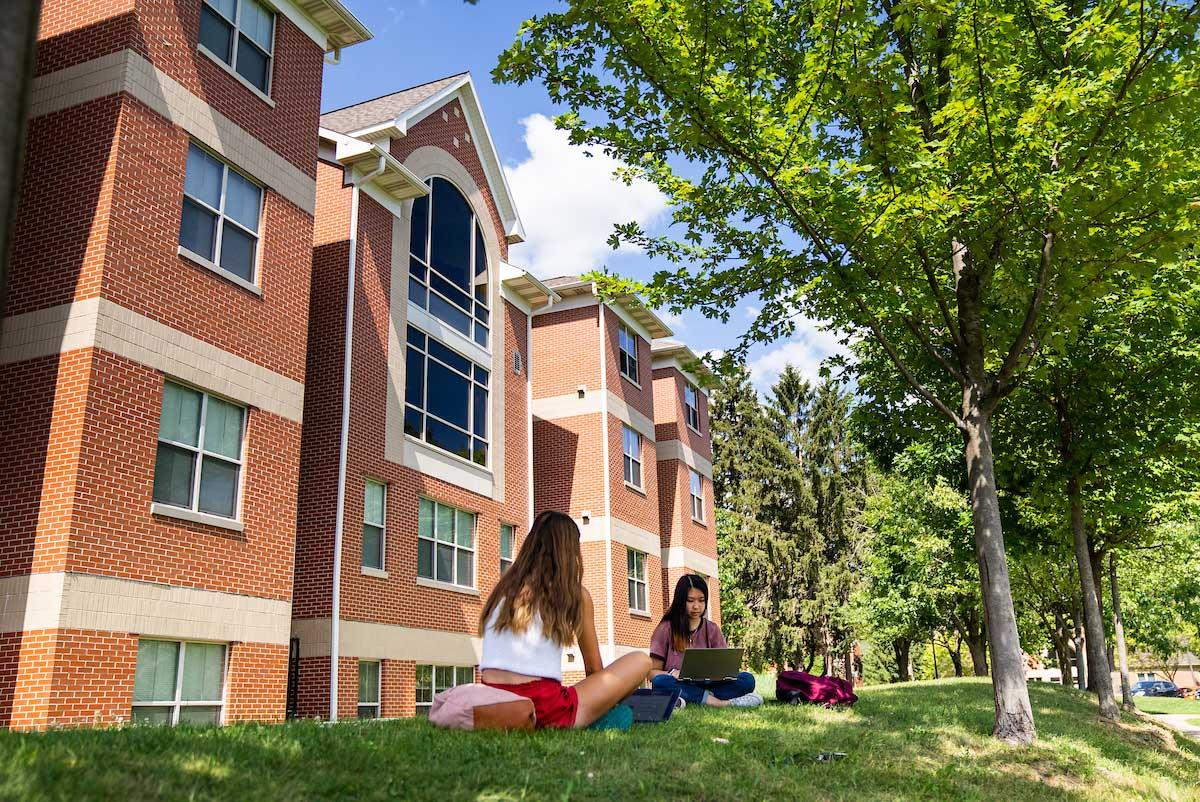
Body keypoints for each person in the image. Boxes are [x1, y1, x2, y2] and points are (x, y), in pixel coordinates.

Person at [479, 510, 652, 728]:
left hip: (495, 705)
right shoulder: (575, 595)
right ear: (569, 551)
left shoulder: (502, 590)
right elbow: (593, 669)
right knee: (641, 661)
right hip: (543, 708)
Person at [648, 574, 763, 707]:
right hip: (680, 683)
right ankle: (720, 702)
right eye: (690, 601)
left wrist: (720, 674)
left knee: (747, 679)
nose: (696, 606)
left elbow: (725, 667)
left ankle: (694, 697)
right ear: (680, 601)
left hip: (711, 684)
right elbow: (652, 673)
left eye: (701, 600)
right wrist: (672, 673)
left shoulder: (712, 629)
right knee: (661, 682)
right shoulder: (665, 629)